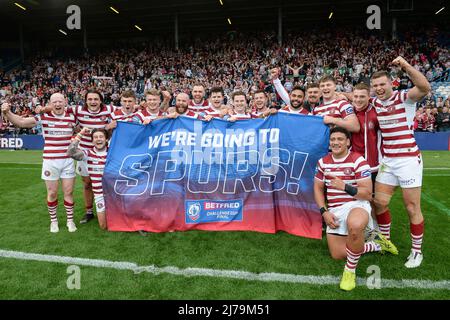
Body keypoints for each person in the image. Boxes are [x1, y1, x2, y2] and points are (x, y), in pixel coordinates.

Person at [314, 127, 396, 291]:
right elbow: (317, 188)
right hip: (335, 210)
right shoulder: (323, 162)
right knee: (338, 254)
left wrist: (345, 186)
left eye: (340, 139)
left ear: (348, 142)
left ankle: (349, 272)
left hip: (356, 204)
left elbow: (366, 194)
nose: (336, 142)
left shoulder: (358, 160)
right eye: (333, 139)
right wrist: (324, 212)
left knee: (356, 225)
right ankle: (377, 244)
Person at [370, 56, 432, 268]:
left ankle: (417, 252)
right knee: (379, 203)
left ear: (391, 83)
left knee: (412, 207)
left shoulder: (404, 97)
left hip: (408, 160)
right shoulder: (375, 103)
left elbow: (424, 87)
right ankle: (385, 242)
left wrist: (405, 65)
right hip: (388, 161)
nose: (379, 88)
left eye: (382, 84)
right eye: (375, 85)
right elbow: (353, 96)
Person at [1, 93, 77, 233]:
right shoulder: (43, 117)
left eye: (60, 101)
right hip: (50, 161)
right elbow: (22, 123)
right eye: (55, 102)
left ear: (65, 102)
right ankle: (53, 222)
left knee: (69, 192)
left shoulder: (72, 115)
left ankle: (70, 221)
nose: (58, 104)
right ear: (50, 103)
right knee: (52, 193)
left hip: (68, 160)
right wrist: (7, 112)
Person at [67, 128, 109, 229]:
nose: (98, 139)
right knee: (103, 226)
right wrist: (80, 134)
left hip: (113, 195)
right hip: (99, 195)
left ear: (106, 139)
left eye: (101, 137)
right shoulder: (88, 154)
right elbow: (70, 152)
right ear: (92, 140)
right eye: (95, 137)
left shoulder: (113, 152)